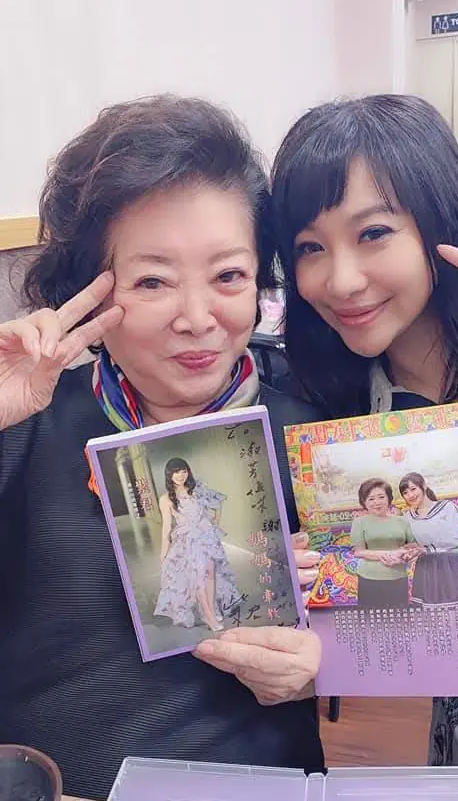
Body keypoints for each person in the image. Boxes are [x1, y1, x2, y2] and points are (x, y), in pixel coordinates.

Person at [0, 95, 324, 799]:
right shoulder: (27, 424)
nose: (198, 318)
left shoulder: (309, 437)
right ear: (92, 291)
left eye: (229, 276)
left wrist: (324, 670)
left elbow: (389, 652)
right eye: (153, 281)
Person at [271, 94, 458, 792]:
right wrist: (310, 594)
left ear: (438, 222)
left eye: (373, 233)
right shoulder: (335, 419)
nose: (340, 280)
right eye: (309, 247)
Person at [155, 457, 240, 632]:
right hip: (187, 542)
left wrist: (213, 524)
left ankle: (212, 610)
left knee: (210, 575)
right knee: (198, 580)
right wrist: (163, 553)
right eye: (176, 472)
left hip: (206, 538)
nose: (180, 475)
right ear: (169, 475)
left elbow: (217, 503)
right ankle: (209, 617)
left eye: (184, 471)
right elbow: (166, 528)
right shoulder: (166, 499)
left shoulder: (197, 490)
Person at [398, 472, 458, 607]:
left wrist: (426, 548)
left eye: (413, 489)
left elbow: (454, 538)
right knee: (431, 613)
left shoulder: (446, 507)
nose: (410, 495)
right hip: (426, 568)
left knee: (455, 611)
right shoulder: (407, 517)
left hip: (450, 565)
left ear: (423, 486)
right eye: (405, 493)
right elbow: (411, 543)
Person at [350, 477, 414, 608]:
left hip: (398, 577)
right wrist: (389, 554)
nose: (377, 502)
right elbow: (359, 552)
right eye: (371, 499)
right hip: (369, 578)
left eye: (381, 497)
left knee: (399, 617)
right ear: (364, 502)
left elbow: (412, 547)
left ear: (389, 498)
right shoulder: (359, 522)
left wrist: (404, 556)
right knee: (372, 618)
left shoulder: (402, 521)